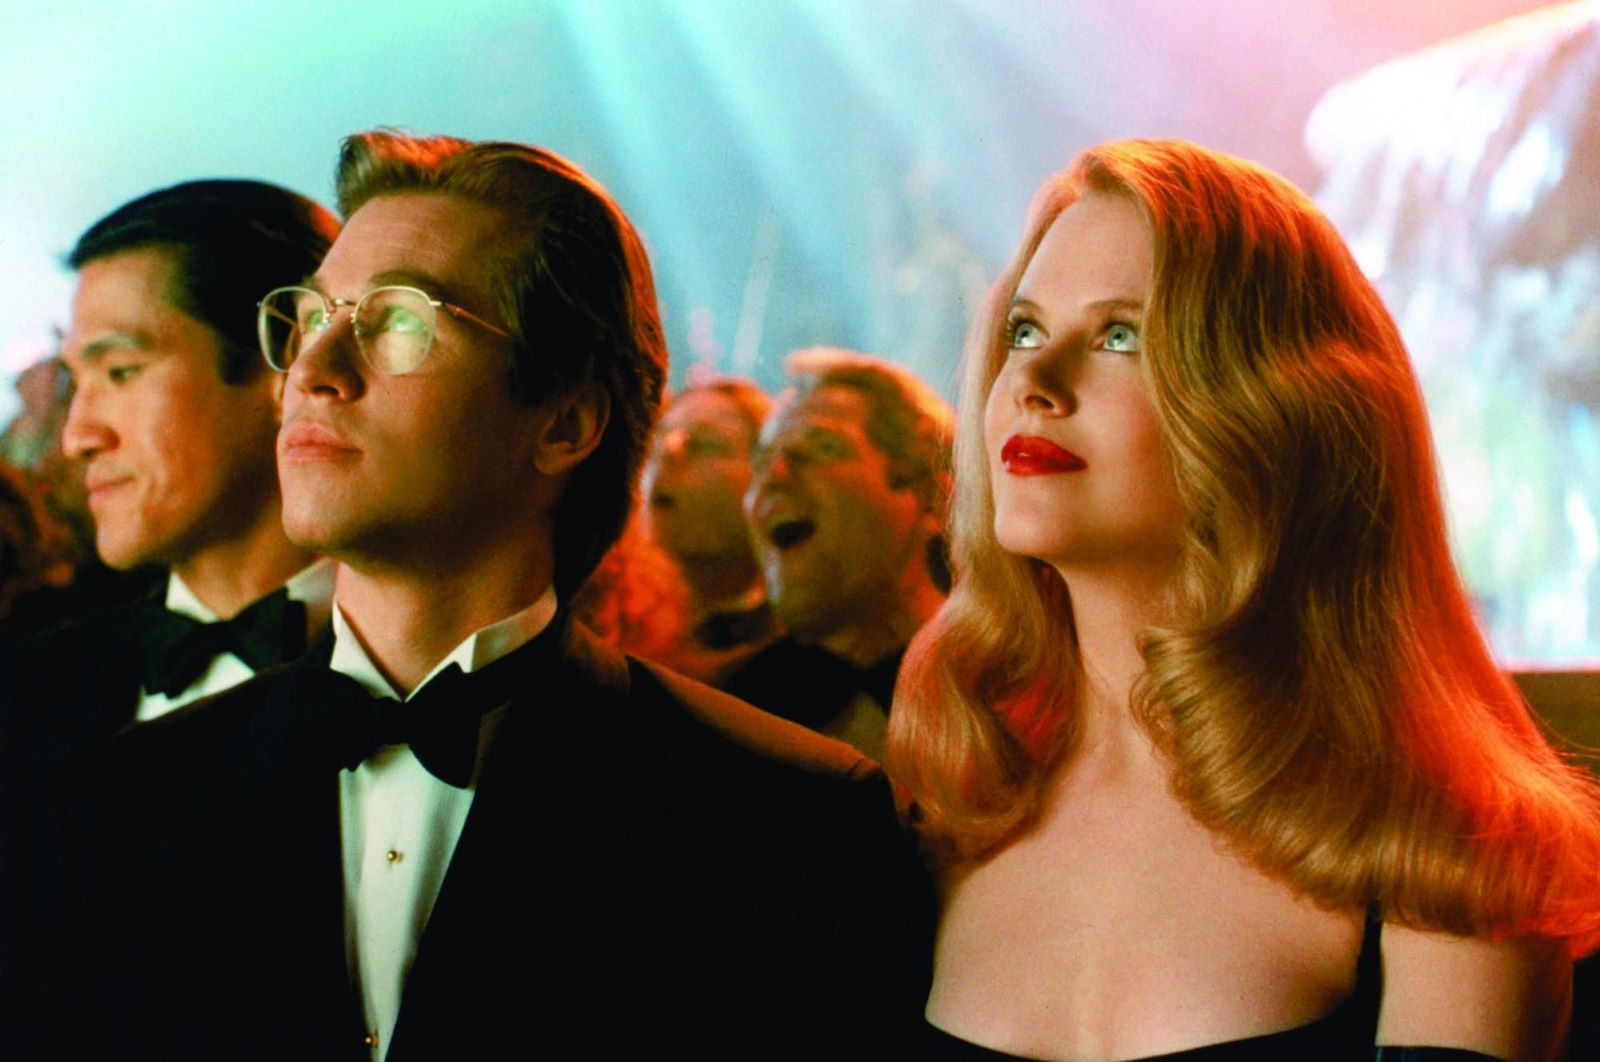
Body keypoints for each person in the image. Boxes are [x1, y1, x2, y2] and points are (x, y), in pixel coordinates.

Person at [78, 131, 931, 1061]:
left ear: (564, 424)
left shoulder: (786, 820)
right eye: (311, 314)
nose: (313, 368)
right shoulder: (123, 798)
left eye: (397, 321)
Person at [888, 138, 1600, 1060]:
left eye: (1119, 337)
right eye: (1023, 331)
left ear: (1274, 407)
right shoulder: (948, 807)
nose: (1033, 382)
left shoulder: (1450, 854)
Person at [0, 179, 339, 1056]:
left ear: (287, 361)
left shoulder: (442, 692)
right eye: (75, 382)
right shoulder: (24, 692)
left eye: (121, 372)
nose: (78, 435)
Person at [725, 348, 952, 761]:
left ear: (930, 493)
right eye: (761, 462)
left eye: (822, 448)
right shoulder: (724, 714)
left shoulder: (1025, 697)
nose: (773, 477)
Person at [633, 375, 779, 679]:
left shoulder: (799, 645)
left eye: (705, 444)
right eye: (659, 437)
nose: (668, 452)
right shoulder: (588, 615)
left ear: (767, 476)